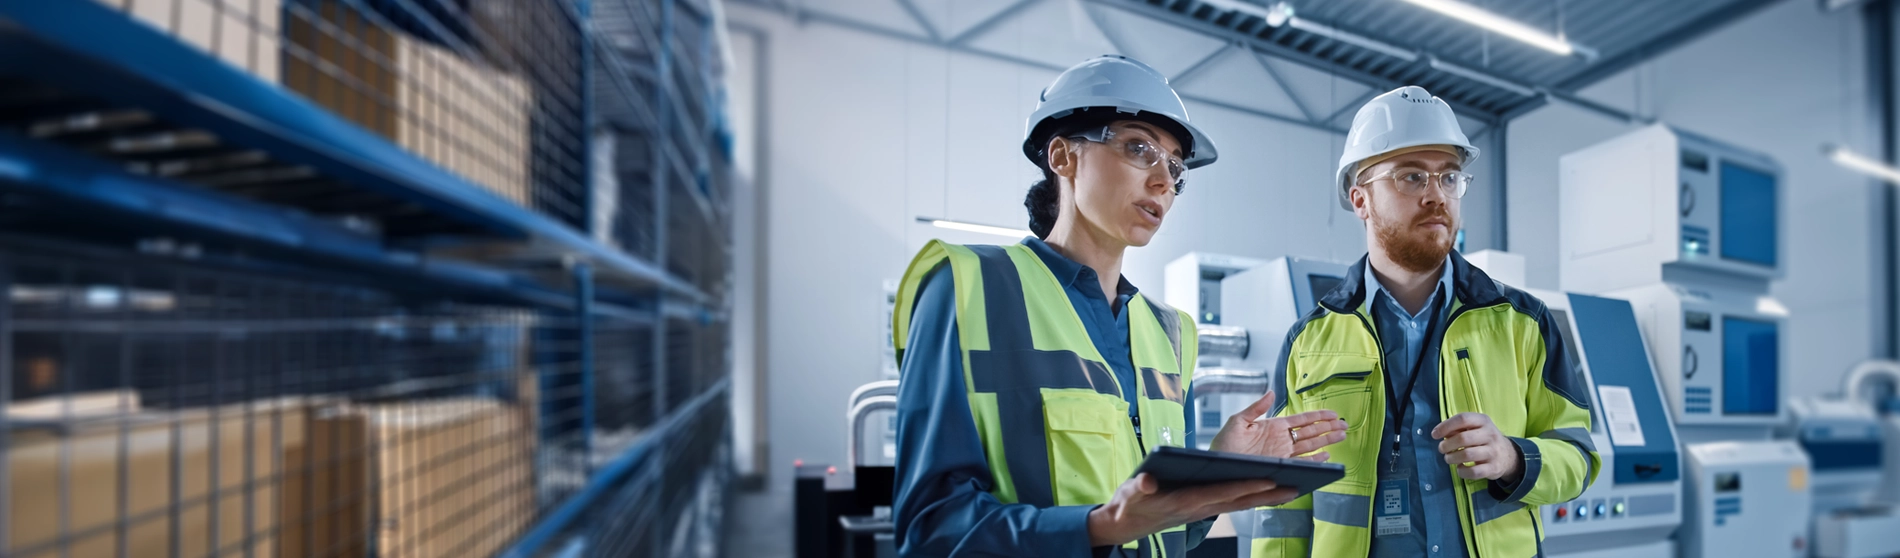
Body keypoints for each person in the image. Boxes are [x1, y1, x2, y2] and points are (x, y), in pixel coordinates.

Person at [890, 55, 1352, 557]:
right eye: (1139, 148)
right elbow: (930, 529)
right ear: (1063, 157)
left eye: (1175, 167)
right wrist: (1097, 527)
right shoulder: (968, 287)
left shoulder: (1171, 332)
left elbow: (1170, 532)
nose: (1163, 182)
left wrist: (1218, 466)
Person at [1249, 86, 1599, 558]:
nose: (1437, 195)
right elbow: (1282, 502)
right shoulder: (1309, 340)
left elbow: (1578, 454)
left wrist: (1514, 459)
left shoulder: (1522, 323)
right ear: (1360, 199)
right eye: (1412, 177)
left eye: (1449, 177)